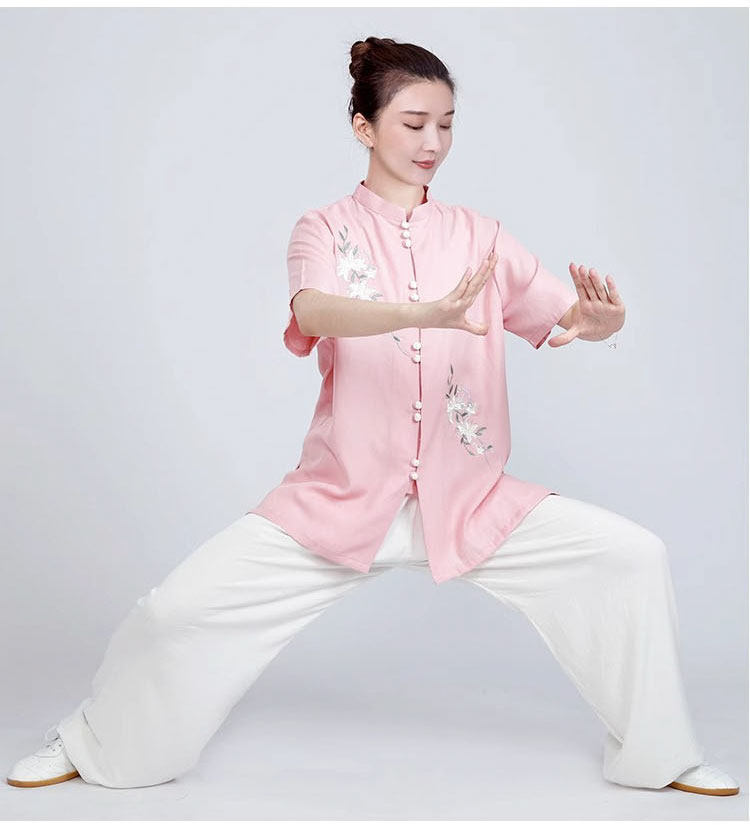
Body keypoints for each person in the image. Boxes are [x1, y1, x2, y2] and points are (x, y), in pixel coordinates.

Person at [7, 36, 739, 798]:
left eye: (446, 125)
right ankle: (93, 739)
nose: (433, 143)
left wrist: (599, 323)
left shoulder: (481, 237)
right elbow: (313, 311)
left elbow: (563, 317)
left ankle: (662, 754)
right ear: (364, 126)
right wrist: (419, 311)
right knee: (175, 613)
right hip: (341, 496)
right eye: (414, 123)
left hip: (471, 499)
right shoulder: (322, 229)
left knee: (631, 557)